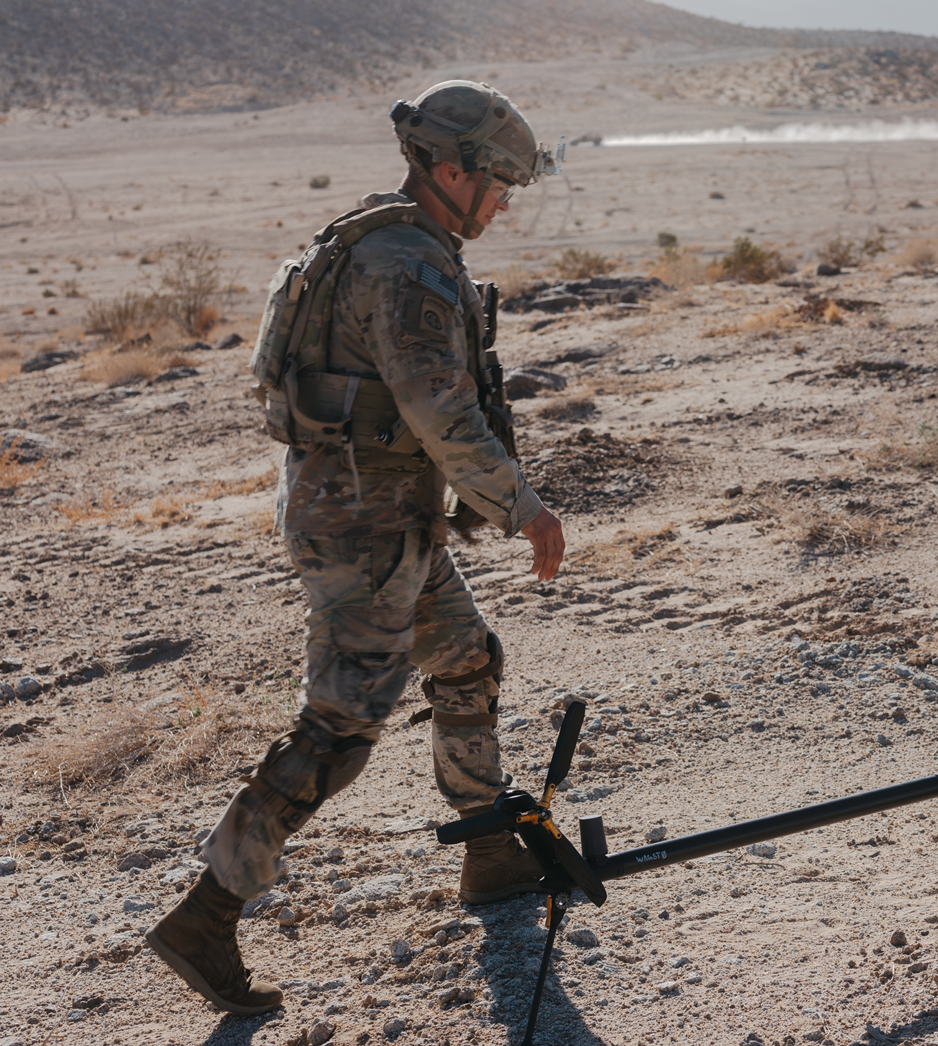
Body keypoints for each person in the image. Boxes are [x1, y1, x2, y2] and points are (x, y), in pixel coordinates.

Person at [145, 81, 566, 1015]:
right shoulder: (405, 267)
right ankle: (207, 915)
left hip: (380, 507)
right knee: (341, 725)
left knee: (465, 656)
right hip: (363, 522)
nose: (503, 203)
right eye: (496, 184)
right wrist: (523, 508)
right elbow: (442, 413)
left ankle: (491, 851)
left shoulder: (394, 241)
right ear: (449, 170)